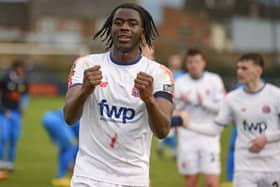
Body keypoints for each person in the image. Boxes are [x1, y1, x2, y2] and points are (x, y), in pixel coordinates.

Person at [64, 3, 174, 187]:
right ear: (111, 27)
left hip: (132, 179)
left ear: (142, 31)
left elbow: (162, 131)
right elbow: (69, 117)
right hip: (88, 177)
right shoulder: (86, 65)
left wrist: (149, 100)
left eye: (132, 23)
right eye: (119, 22)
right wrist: (85, 91)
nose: (124, 27)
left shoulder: (159, 74)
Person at [179, 53, 280, 187]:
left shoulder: (275, 95)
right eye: (238, 68)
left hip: (272, 166)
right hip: (244, 167)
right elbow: (215, 128)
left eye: (244, 68)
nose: (239, 72)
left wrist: (267, 138)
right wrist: (188, 125)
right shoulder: (232, 99)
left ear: (258, 71)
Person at [174, 49, 225, 187]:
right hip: (187, 137)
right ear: (186, 64)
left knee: (212, 182)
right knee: (190, 181)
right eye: (190, 62)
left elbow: (223, 108)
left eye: (197, 61)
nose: (193, 65)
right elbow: (174, 110)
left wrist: (203, 102)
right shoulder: (179, 83)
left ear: (204, 63)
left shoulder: (214, 80)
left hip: (209, 136)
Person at [0, 60, 29, 173]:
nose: (22, 71)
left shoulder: (24, 81)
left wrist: (23, 106)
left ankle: (10, 164)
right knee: (3, 137)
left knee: (14, 139)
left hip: (16, 114)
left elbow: (25, 95)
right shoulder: (5, 78)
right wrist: (2, 109)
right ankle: (1, 162)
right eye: (20, 68)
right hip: (4, 113)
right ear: (15, 68)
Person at [157, 54, 185, 158]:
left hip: (178, 105)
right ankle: (171, 148)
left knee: (173, 127)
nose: (174, 63)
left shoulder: (182, 76)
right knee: (168, 126)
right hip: (166, 102)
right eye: (173, 60)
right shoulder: (165, 73)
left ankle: (166, 145)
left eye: (176, 61)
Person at [42, 108, 79, 186]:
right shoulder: (88, 123)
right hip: (56, 121)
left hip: (48, 117)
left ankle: (60, 175)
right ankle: (59, 178)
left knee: (66, 148)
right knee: (71, 146)